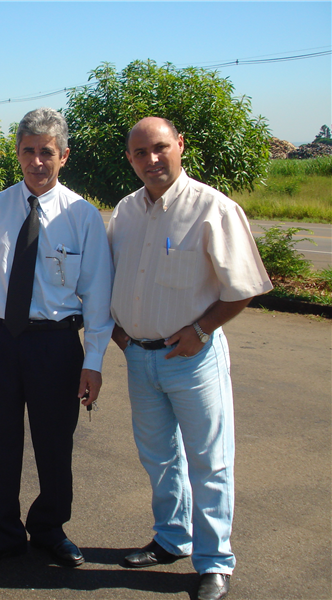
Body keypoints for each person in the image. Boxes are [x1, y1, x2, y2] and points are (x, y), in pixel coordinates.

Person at [108, 117, 273, 600]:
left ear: (180, 146)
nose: (151, 159)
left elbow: (243, 286)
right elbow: (113, 277)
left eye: (161, 148)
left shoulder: (212, 208)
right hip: (140, 358)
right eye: (140, 152)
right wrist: (118, 329)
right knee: (158, 457)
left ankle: (214, 561)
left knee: (210, 460)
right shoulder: (126, 212)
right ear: (130, 158)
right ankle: (171, 538)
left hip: (192, 357)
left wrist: (202, 330)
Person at [0, 107, 114, 571]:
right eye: (29, 151)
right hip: (0, 342)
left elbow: (98, 297)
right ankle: (4, 532)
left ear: (63, 156)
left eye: (47, 152)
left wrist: (95, 361)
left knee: (54, 442)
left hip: (57, 346)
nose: (37, 161)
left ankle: (48, 528)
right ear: (18, 154)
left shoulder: (83, 216)